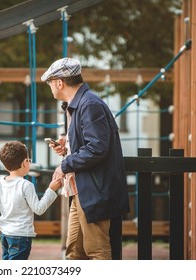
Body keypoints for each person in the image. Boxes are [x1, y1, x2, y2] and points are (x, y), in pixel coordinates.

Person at [41, 57, 130, 260]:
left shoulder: (89, 104)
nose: (50, 88)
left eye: (50, 83)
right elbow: (89, 143)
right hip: (82, 189)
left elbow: (97, 148)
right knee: (75, 253)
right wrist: (67, 143)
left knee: (96, 251)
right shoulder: (78, 105)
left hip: (93, 190)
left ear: (59, 82)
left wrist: (65, 164)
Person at [0, 140, 62, 260]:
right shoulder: (26, 185)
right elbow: (39, 209)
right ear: (26, 162)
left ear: (5, 165)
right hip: (21, 236)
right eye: (29, 160)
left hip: (5, 234)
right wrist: (51, 189)